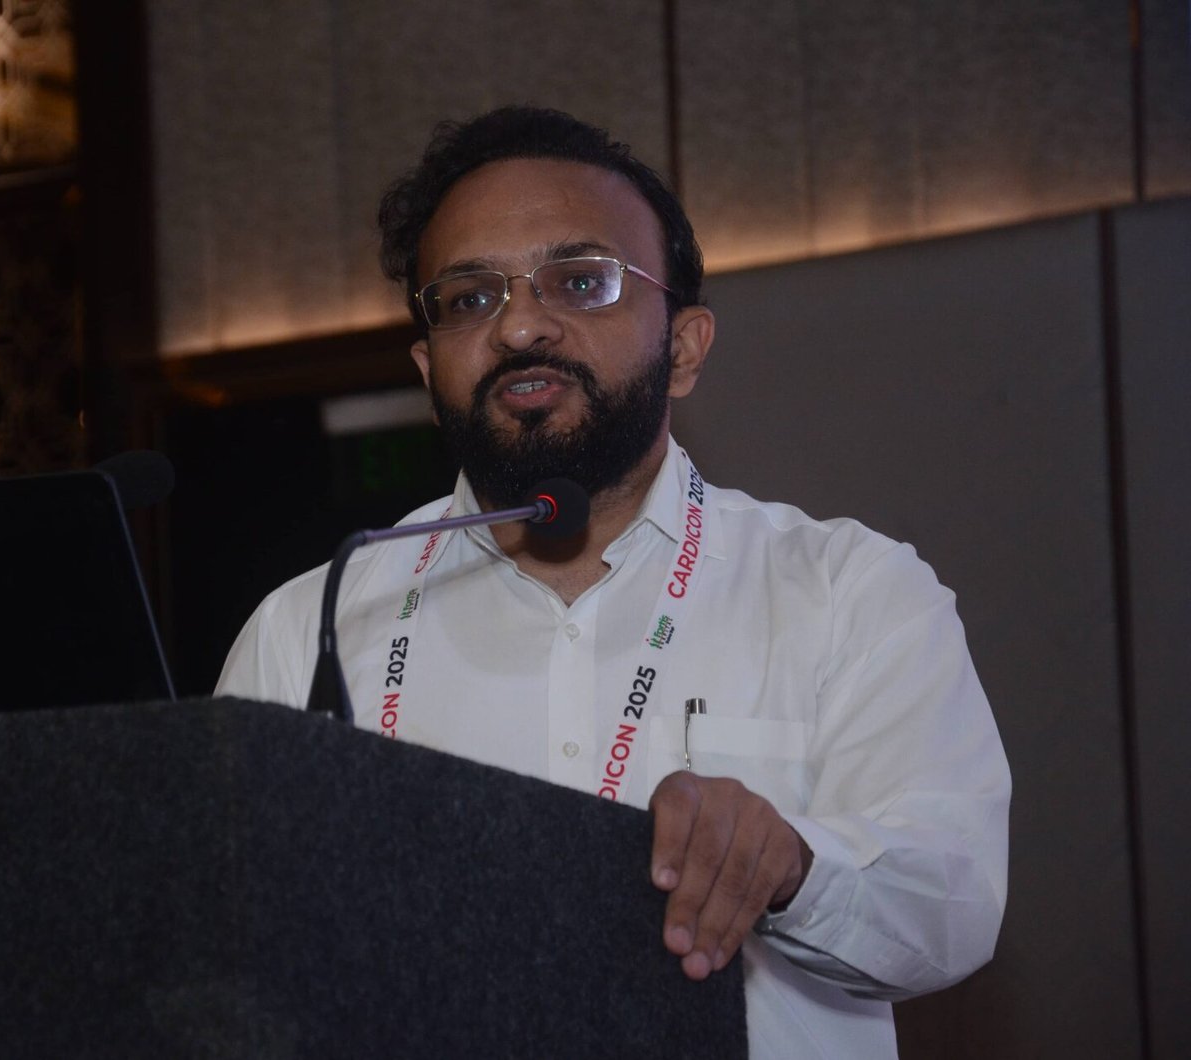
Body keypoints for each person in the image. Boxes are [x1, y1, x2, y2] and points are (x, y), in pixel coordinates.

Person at [216, 105, 1010, 1057]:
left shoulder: (847, 592)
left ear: (685, 347)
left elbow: (952, 905)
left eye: (582, 281)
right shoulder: (309, 626)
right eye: (469, 298)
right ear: (428, 371)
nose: (519, 325)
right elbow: (222, 953)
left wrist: (792, 864)